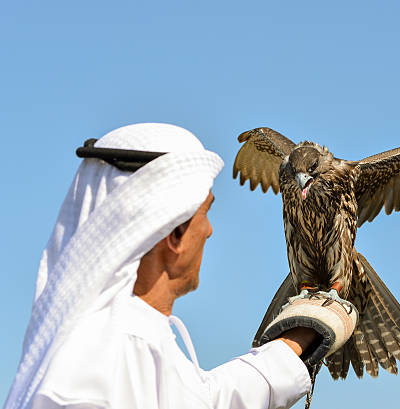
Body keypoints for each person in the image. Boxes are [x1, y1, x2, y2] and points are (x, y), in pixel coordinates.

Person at [4, 123, 355, 409]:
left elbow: (207, 400)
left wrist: (301, 336)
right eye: (205, 214)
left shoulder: (126, 341)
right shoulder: (91, 377)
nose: (210, 230)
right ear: (174, 233)